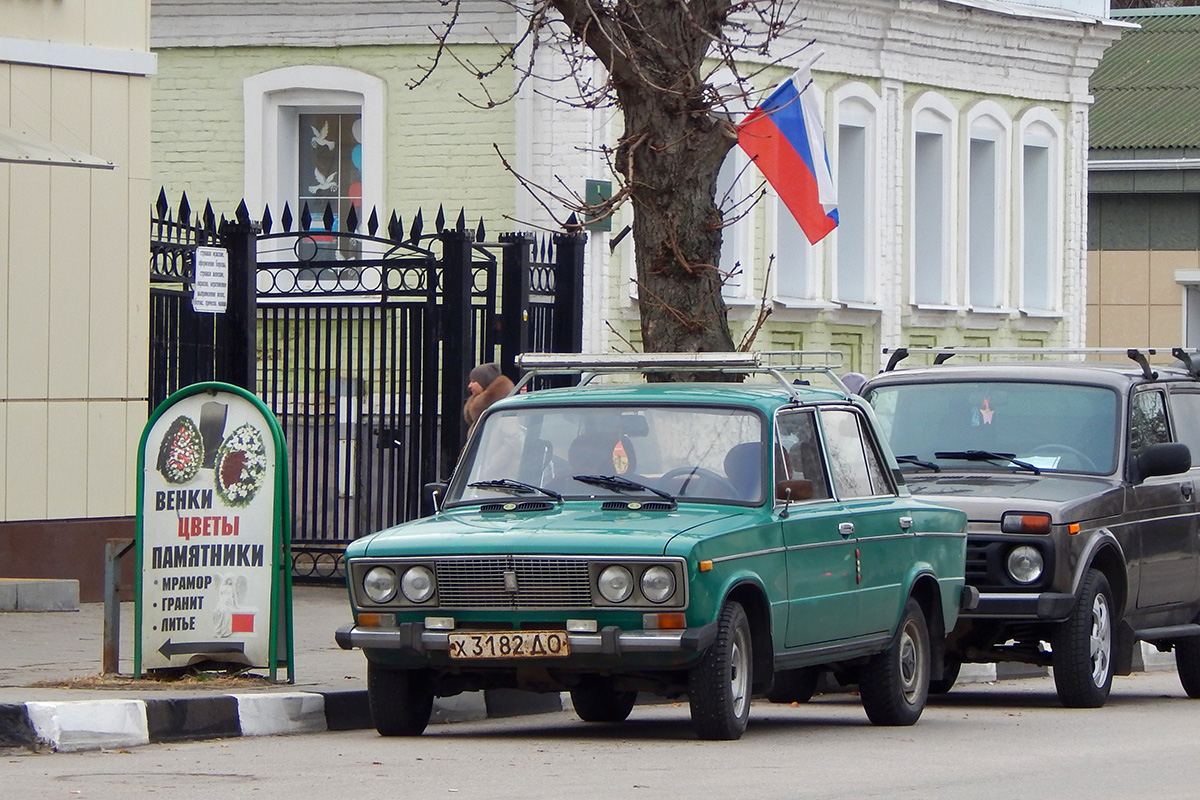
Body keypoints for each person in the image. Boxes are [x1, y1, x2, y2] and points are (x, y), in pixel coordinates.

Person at [463, 362, 514, 436]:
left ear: (485, 382)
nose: (469, 386)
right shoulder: (483, 414)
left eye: (474, 381)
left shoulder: (502, 416)